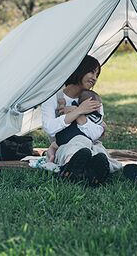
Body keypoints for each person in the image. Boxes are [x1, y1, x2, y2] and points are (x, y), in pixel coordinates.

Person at [41, 55, 120, 186]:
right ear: (78, 69)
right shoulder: (52, 98)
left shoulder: (93, 100)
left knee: (99, 153)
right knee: (76, 149)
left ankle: (89, 175)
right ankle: (74, 170)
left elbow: (96, 133)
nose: (94, 78)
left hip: (90, 144)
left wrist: (78, 114)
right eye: (91, 72)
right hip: (65, 145)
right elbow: (50, 128)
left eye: (97, 75)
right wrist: (78, 111)